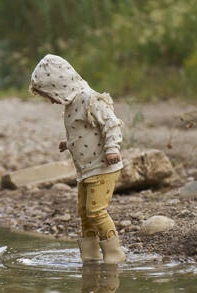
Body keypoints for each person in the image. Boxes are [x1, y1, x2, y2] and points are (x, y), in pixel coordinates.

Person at [29, 54, 126, 264]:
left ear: (61, 86)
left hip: (103, 166)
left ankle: (114, 253)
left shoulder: (89, 99)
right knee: (83, 212)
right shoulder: (71, 103)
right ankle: (90, 255)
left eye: (50, 94)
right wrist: (69, 142)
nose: (50, 100)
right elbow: (84, 130)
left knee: (96, 210)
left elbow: (111, 124)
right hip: (86, 169)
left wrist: (112, 148)